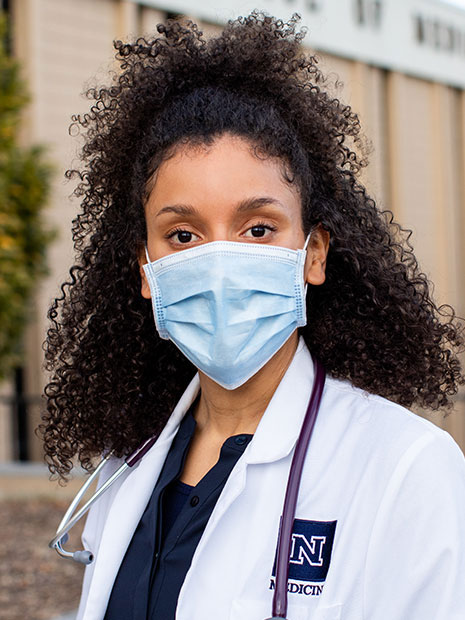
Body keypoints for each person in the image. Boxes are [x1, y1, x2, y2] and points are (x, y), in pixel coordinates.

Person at [40, 12, 465, 620]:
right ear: (145, 269)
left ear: (312, 253)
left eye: (258, 228)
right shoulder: (128, 468)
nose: (218, 262)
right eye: (183, 235)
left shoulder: (407, 469)